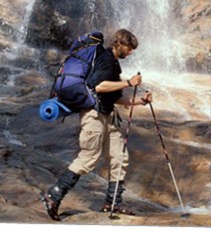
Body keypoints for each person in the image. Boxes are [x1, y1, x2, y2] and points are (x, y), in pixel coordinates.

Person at [40, 29, 152, 221]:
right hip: (94, 115)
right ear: (119, 43)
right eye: (129, 48)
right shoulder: (105, 58)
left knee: (119, 157)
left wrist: (141, 101)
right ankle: (53, 195)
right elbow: (98, 86)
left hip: (109, 115)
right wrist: (128, 82)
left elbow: (115, 97)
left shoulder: (113, 64)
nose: (131, 52)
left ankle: (113, 202)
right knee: (88, 158)